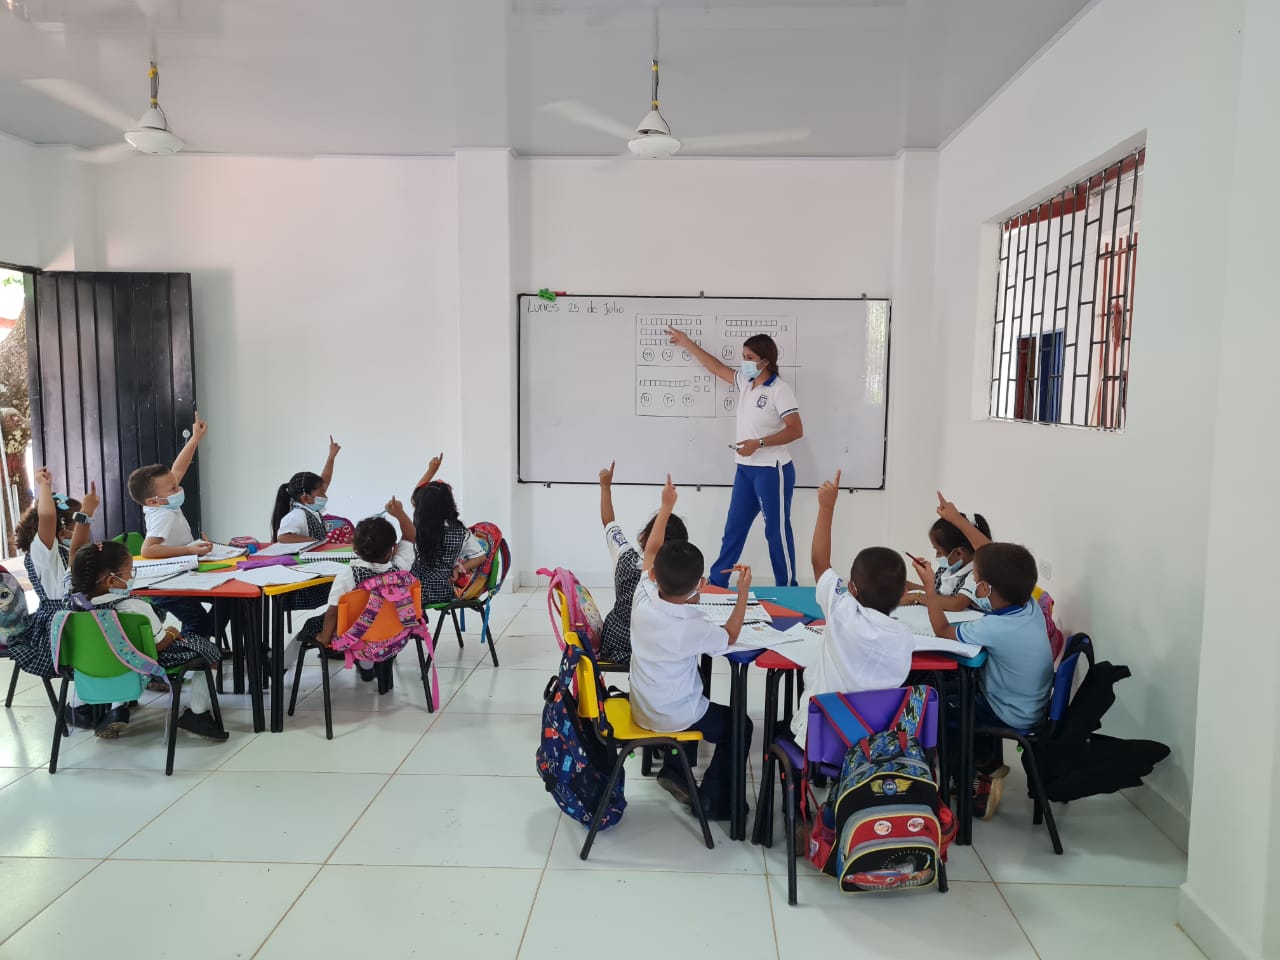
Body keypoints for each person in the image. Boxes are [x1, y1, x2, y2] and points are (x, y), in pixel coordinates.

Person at [909, 493, 1052, 820]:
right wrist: (957, 519)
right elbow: (990, 554)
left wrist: (928, 590)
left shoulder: (995, 629)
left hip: (1008, 712)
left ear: (985, 589)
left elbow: (944, 631)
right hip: (1024, 702)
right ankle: (978, 762)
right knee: (939, 685)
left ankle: (976, 773)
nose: (973, 581)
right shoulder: (1026, 604)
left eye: (976, 580)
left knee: (936, 708)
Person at [629, 474, 753, 821]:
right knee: (739, 725)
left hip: (641, 708)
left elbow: (651, 550)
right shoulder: (692, 626)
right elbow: (729, 636)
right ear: (700, 584)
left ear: (653, 575)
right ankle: (714, 800)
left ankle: (675, 768)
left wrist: (666, 507)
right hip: (675, 714)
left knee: (692, 687)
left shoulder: (644, 597)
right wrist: (742, 594)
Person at [666, 327, 804, 588]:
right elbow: (716, 368)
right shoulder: (746, 383)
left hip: (772, 470)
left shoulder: (779, 390)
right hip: (745, 469)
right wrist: (686, 342)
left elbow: (796, 430)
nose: (745, 363)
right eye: (743, 356)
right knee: (734, 530)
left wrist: (760, 443)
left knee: (776, 532)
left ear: (765, 361)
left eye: (749, 357)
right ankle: (718, 582)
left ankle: (787, 587)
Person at [794, 470, 914, 744]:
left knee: (780, 731)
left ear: (852, 589)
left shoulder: (841, 611)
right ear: (903, 594)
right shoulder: (903, 636)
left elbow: (819, 561)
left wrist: (826, 507)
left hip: (825, 739)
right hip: (876, 744)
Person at [68, 540, 226, 740]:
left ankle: (117, 709)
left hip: (94, 664)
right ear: (111, 580)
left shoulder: (72, 606)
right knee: (208, 651)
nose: (132, 577)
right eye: (129, 573)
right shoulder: (134, 608)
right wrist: (172, 632)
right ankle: (197, 714)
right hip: (143, 663)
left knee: (119, 655)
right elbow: (158, 646)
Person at [294, 501, 416, 683]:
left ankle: (279, 666)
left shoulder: (348, 575)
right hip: (392, 631)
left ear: (355, 548)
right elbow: (410, 536)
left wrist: (324, 639)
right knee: (370, 629)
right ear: (393, 548)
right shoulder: (400, 567)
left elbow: (333, 613)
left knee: (310, 625)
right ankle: (366, 667)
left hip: (354, 634)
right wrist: (400, 513)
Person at [126, 413, 215, 639]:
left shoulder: (164, 502)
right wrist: (189, 550)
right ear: (153, 501)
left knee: (224, 605)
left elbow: (178, 468)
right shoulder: (161, 514)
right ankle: (195, 653)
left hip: (180, 575)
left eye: (175, 486)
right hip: (166, 587)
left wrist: (194, 440)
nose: (178, 489)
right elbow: (148, 550)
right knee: (197, 620)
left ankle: (201, 649)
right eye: (172, 488)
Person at [596, 460, 689, 664]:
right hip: (651, 647)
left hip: (615, 640)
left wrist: (605, 487)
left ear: (644, 536)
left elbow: (609, 522)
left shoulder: (624, 556)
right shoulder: (676, 576)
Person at [409, 453, 485, 606]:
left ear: (421, 507)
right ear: (449, 504)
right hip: (443, 591)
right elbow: (481, 557)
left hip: (413, 591)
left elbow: (415, 496)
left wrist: (431, 470)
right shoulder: (460, 532)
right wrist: (458, 568)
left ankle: (416, 620)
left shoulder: (417, 527)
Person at [902, 497, 993, 610]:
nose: (936, 557)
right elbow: (939, 594)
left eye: (939, 552)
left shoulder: (976, 574)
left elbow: (956, 604)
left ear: (959, 553)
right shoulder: (948, 569)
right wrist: (907, 585)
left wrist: (916, 597)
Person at [270, 436, 342, 543]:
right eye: (322, 492)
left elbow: (325, 480)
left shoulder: (311, 508)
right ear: (305, 498)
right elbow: (282, 537)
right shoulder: (298, 514)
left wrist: (331, 457)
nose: (325, 496)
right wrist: (312, 541)